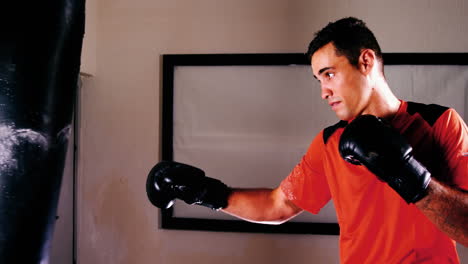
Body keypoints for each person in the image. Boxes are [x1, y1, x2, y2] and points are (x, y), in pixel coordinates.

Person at [146, 17, 468, 263]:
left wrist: (410, 175)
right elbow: (277, 205)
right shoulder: (330, 143)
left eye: (329, 74)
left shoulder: (440, 124)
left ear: (366, 61)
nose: (323, 91)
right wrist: (206, 192)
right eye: (318, 79)